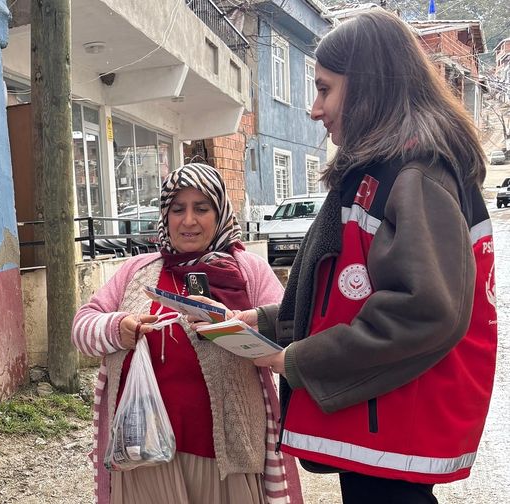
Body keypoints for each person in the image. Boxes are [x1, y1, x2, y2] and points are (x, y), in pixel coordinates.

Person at [221, 10, 496, 504]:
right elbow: (341, 289)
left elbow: (425, 308)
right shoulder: (386, 166)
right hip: (382, 407)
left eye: (325, 89)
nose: (313, 108)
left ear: (368, 86)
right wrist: (266, 322)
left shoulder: (414, 171)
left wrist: (300, 359)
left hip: (393, 411)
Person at [72, 163, 302, 504]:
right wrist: (117, 328)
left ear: (220, 212)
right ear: (165, 215)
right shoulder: (138, 270)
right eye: (178, 209)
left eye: (202, 208)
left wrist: (230, 322)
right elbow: (82, 326)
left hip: (227, 462)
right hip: (143, 456)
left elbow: (290, 330)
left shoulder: (247, 270)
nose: (188, 220)